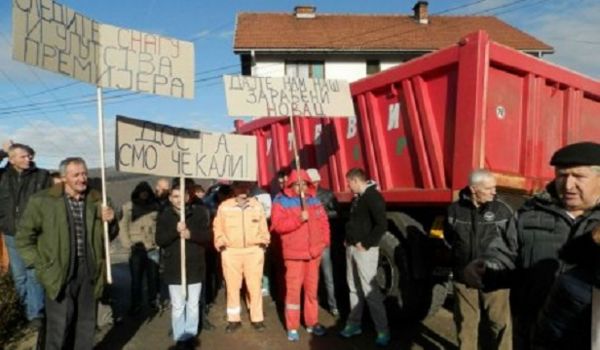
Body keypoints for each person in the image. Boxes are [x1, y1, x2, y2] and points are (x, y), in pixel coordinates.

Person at [464, 142, 600, 350]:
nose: (568, 185)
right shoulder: (529, 214)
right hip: (533, 336)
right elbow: (505, 254)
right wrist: (486, 269)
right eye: (562, 176)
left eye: (578, 177)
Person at [16, 157, 118, 349]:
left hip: (89, 272)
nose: (82, 179)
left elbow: (108, 237)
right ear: (63, 178)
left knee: (86, 326)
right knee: (59, 328)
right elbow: (23, 238)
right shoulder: (43, 201)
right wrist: (42, 265)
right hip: (58, 274)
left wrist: (111, 221)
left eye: (85, 173)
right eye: (76, 175)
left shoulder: (96, 200)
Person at [444, 169, 513, 350]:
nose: (494, 192)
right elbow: (450, 238)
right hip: (464, 277)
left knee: (499, 322)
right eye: (489, 188)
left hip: (495, 277)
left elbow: (512, 242)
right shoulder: (454, 210)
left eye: (494, 187)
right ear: (474, 189)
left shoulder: (503, 211)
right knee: (466, 323)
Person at [271, 169, 330, 342]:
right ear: (291, 184)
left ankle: (312, 322)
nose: (301, 187)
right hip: (294, 255)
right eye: (297, 184)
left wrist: (324, 242)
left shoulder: (314, 200)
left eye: (304, 183)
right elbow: (278, 225)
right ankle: (293, 327)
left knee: (312, 292)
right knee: (293, 293)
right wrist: (299, 218)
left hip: (314, 254)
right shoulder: (280, 201)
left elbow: (324, 222)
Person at [0, 141, 51, 330]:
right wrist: (3, 152)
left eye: (30, 155)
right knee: (19, 275)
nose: (28, 159)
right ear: (12, 160)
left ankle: (35, 314)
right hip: (11, 234)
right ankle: (24, 310)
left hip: (33, 234)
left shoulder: (42, 176)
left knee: (34, 273)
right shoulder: (3, 176)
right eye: (23, 156)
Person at [156, 183, 211, 349]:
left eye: (182, 196)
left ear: (188, 197)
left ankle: (190, 335)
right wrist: (175, 231)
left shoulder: (199, 213)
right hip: (174, 267)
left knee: (193, 304)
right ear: (170, 198)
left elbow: (208, 236)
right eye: (175, 196)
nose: (179, 200)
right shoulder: (165, 216)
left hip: (195, 265)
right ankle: (180, 337)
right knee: (178, 305)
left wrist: (191, 234)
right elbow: (160, 240)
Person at [340, 167, 390, 347]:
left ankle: (383, 331)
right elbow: (354, 222)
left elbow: (382, 225)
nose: (348, 187)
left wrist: (366, 243)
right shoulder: (358, 199)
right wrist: (348, 240)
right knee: (353, 287)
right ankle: (354, 325)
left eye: (349, 183)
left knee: (370, 291)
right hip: (352, 249)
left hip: (365, 251)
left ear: (355, 181)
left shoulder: (373, 197)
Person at [213, 181, 270, 333]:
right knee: (232, 287)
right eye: (239, 186)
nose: (243, 189)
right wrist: (221, 244)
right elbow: (217, 227)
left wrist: (263, 244)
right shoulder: (224, 206)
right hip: (231, 252)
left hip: (253, 251)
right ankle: (234, 319)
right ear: (234, 188)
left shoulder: (256, 206)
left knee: (255, 286)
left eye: (245, 186)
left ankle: (257, 318)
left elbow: (263, 227)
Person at [119, 181, 160, 314]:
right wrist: (128, 244)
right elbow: (123, 227)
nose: (144, 194)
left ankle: (153, 301)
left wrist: (158, 243)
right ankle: (136, 303)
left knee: (153, 277)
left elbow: (159, 226)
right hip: (135, 247)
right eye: (141, 192)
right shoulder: (128, 207)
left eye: (146, 192)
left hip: (152, 246)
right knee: (136, 279)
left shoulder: (155, 206)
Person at [306, 168, 340, 318]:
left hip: (323, 241)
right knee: (312, 276)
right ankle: (315, 302)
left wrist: (322, 214)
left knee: (328, 274)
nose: (310, 183)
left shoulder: (327, 194)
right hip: (309, 241)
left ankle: (333, 305)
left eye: (312, 181)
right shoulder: (303, 196)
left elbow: (337, 213)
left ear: (318, 181)